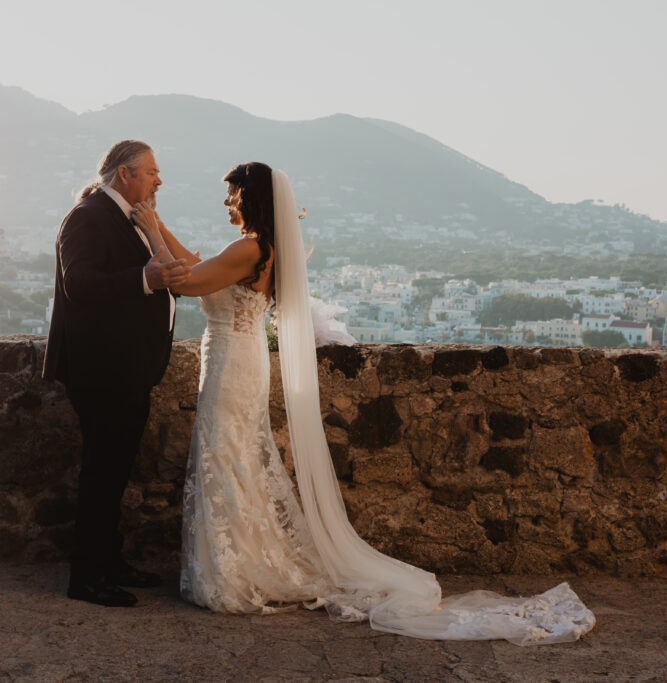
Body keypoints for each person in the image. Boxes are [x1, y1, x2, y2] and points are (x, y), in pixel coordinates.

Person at [130, 162, 596, 644]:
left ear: (250, 198)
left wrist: (148, 229)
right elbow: (199, 268)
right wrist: (160, 226)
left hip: (231, 366)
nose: (227, 203)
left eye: (231, 196)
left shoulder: (248, 247)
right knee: (234, 459)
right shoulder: (261, 247)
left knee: (226, 458)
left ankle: (232, 573)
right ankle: (236, 563)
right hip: (239, 359)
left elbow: (182, 282)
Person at [42, 140, 192, 607]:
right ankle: (87, 578)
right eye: (151, 171)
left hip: (127, 369)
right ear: (124, 175)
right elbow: (79, 284)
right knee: (102, 475)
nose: (159, 179)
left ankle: (110, 561)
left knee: (116, 472)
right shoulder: (87, 217)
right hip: (102, 370)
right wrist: (145, 279)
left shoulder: (127, 217)